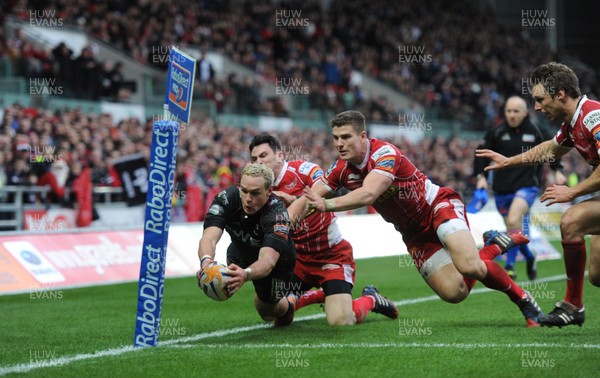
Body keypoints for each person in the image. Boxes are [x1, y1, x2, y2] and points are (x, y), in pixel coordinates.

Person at [292, 110, 543, 327]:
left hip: (436, 206)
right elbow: (308, 197)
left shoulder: (384, 153)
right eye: (335, 138)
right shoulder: (340, 169)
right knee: (455, 293)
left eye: (345, 137)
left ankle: (523, 300)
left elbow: (368, 194)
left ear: (362, 136)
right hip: (413, 234)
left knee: (469, 266)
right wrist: (283, 222)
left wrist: (326, 204)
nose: (339, 143)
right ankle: (492, 247)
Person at [476, 62, 600, 328]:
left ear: (561, 94)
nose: (537, 108)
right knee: (597, 274)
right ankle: (574, 306)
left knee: (572, 221)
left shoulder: (592, 116)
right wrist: (509, 161)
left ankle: (572, 306)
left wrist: (573, 191)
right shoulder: (573, 123)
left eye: (540, 100)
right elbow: (550, 150)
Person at [249, 134, 397, 326]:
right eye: (254, 159)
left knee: (341, 321)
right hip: (297, 259)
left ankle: (370, 298)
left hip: (330, 255)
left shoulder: (304, 170)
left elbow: (323, 195)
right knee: (271, 313)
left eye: (263, 156)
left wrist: (292, 200)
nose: (258, 162)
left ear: (279, 156)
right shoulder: (256, 189)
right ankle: (313, 297)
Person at [473, 95, 565, 281]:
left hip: (527, 186)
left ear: (525, 112)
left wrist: (557, 170)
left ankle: (509, 266)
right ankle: (530, 257)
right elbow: (480, 154)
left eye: (516, 111)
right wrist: (480, 177)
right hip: (501, 190)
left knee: (514, 218)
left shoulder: (537, 130)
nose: (512, 115)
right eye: (509, 111)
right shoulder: (497, 132)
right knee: (512, 229)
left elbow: (553, 150)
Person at [196, 163, 297, 326]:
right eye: (244, 191)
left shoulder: (277, 214)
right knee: (224, 277)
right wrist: (206, 261)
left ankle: (289, 305)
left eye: (255, 193)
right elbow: (209, 237)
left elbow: (268, 261)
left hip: (278, 263)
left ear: (269, 191)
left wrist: (246, 274)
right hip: (240, 252)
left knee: (267, 312)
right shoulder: (227, 198)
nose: (248, 199)